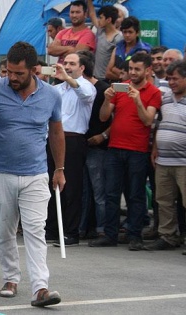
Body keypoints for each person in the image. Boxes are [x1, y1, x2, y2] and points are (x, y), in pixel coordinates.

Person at [0, 41, 64, 307]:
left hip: (36, 174)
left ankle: (40, 288)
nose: (12, 78)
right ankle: (10, 279)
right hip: (1, 173)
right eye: (8, 72)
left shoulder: (52, 95)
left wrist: (60, 169)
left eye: (19, 73)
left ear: (34, 70)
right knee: (4, 230)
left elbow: (56, 132)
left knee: (35, 231)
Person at [91, 52, 161, 250]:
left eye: (137, 69)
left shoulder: (153, 92)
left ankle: (135, 235)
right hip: (115, 148)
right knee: (111, 193)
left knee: (136, 194)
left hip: (138, 151)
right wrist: (106, 100)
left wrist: (138, 100)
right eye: (131, 69)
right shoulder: (120, 88)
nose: (133, 73)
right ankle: (110, 234)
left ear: (148, 70)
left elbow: (148, 120)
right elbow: (104, 117)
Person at [45, 53, 96, 247]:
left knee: (72, 187)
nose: (67, 66)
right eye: (65, 63)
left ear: (82, 68)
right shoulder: (56, 89)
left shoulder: (87, 86)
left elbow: (85, 94)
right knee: (50, 185)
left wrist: (68, 78)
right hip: (53, 139)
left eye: (72, 64)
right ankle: (51, 229)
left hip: (74, 140)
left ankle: (71, 231)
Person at [146, 60, 186, 252]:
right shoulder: (166, 99)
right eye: (169, 79)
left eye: (175, 79)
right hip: (164, 160)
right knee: (164, 200)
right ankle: (168, 236)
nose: (171, 82)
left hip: (183, 162)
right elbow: (159, 123)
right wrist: (155, 147)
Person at [76, 50, 111, 239]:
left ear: (82, 68)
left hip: (98, 147)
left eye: (73, 65)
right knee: (84, 191)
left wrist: (103, 135)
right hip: (82, 145)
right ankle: (84, 227)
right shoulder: (73, 88)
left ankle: (102, 229)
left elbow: (114, 117)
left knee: (99, 191)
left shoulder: (104, 89)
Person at [47, 1, 95, 65]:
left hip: (76, 73)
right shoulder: (62, 32)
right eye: (72, 12)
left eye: (77, 12)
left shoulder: (88, 34)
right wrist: (69, 48)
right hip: (60, 73)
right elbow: (50, 50)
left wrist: (60, 50)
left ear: (85, 14)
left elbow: (77, 55)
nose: (74, 15)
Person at [105, 16, 151, 81]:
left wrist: (115, 70)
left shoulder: (143, 50)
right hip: (116, 87)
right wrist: (124, 77)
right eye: (125, 32)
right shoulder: (117, 47)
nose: (127, 35)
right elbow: (108, 73)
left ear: (137, 33)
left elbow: (140, 76)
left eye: (130, 32)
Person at [86, 2, 123, 81]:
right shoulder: (100, 31)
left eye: (101, 18)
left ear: (108, 20)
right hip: (95, 77)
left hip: (108, 78)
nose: (99, 20)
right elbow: (92, 14)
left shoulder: (119, 38)